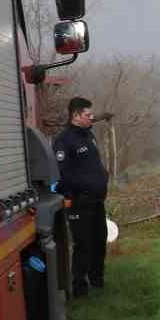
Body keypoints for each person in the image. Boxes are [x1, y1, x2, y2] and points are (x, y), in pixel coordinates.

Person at [53, 96, 109, 297]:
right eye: (88, 114)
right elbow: (63, 173)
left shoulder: (89, 136)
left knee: (99, 240)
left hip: (96, 201)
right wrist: (82, 188)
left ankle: (97, 280)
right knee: (83, 244)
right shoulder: (64, 141)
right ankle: (79, 287)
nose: (92, 118)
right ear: (76, 115)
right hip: (79, 201)